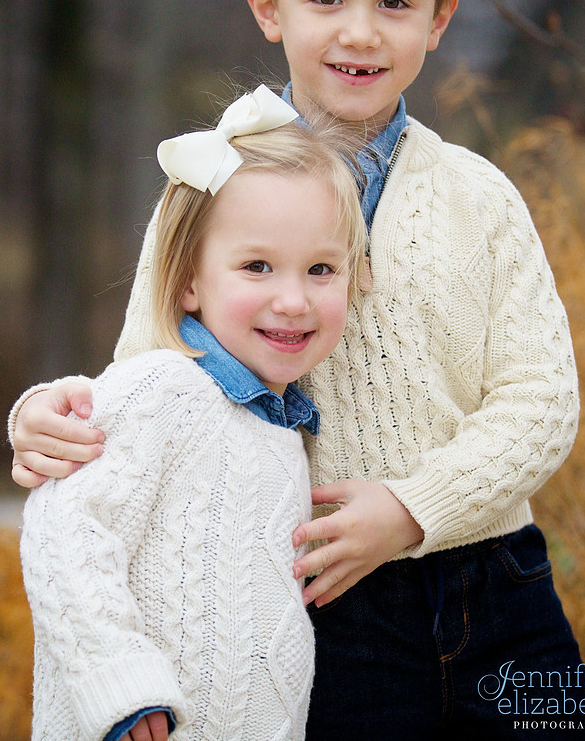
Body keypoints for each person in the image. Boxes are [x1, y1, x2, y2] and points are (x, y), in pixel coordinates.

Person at [11, 0, 585, 738]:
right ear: (267, 7)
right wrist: (44, 414)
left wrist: (411, 510)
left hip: (500, 586)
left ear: (440, 18)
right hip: (320, 599)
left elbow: (543, 401)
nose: (359, 33)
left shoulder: (478, 197)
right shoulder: (211, 177)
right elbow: (148, 371)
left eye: (394, 3)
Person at [19, 85, 368, 741]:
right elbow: (63, 528)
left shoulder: (281, 426)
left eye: (321, 269)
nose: (293, 299)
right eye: (257, 266)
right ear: (189, 281)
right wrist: (121, 687)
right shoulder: (164, 390)